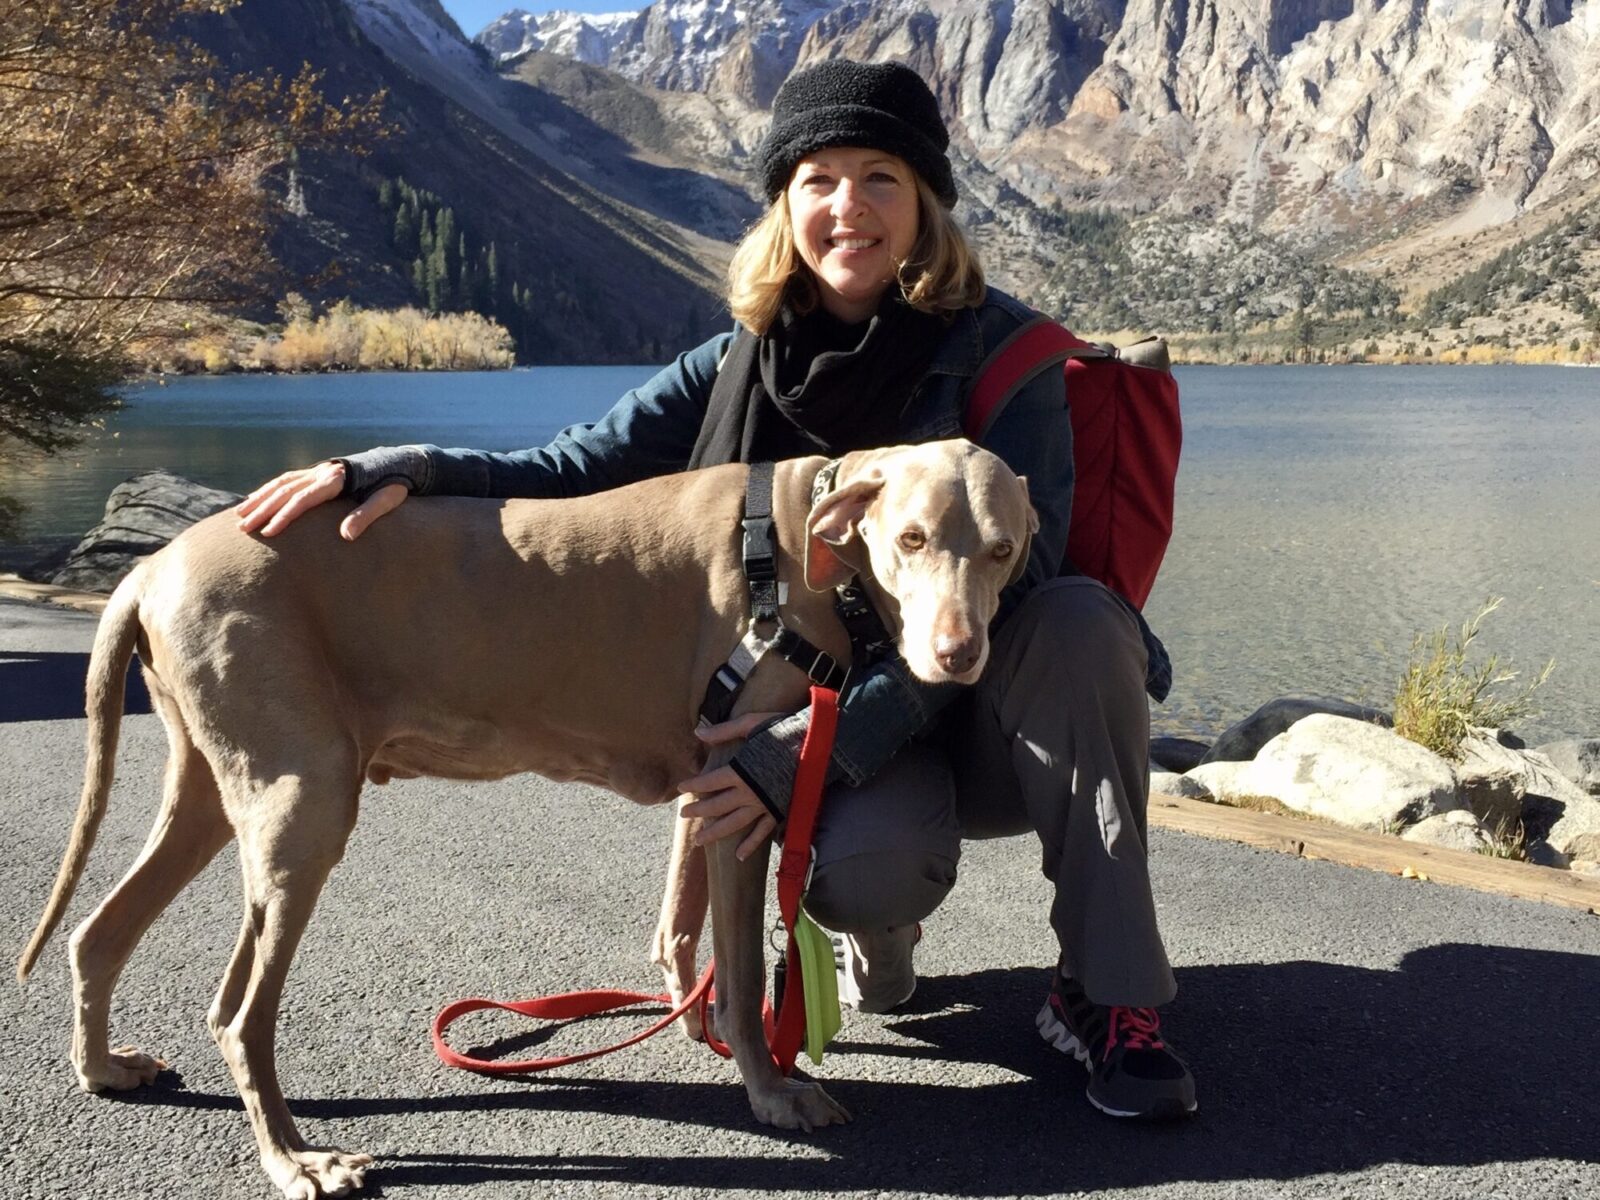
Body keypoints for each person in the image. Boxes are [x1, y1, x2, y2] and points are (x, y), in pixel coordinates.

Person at [237, 59, 1197, 1120]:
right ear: (785, 202)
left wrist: (794, 769)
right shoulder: (735, 367)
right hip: (828, 728)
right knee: (871, 868)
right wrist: (395, 467)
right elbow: (571, 468)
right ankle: (883, 923)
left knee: (1078, 621)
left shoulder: (1012, 365)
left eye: (881, 177)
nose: (849, 207)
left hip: (985, 723)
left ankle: (1106, 996)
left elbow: (1022, 584)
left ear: (924, 204)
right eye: (819, 178)